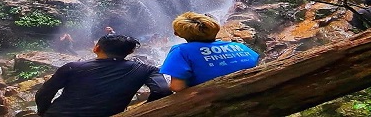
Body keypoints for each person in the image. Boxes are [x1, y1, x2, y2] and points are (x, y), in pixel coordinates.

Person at [35, 34, 171, 116]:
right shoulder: (147, 69)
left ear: (96, 48)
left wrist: (43, 111)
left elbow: (44, 92)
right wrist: (144, 109)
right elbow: (163, 90)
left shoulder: (72, 67)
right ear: (130, 52)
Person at [160, 12, 259, 92]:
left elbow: (177, 87)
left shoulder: (180, 51)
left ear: (178, 34)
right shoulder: (239, 46)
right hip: (253, 91)